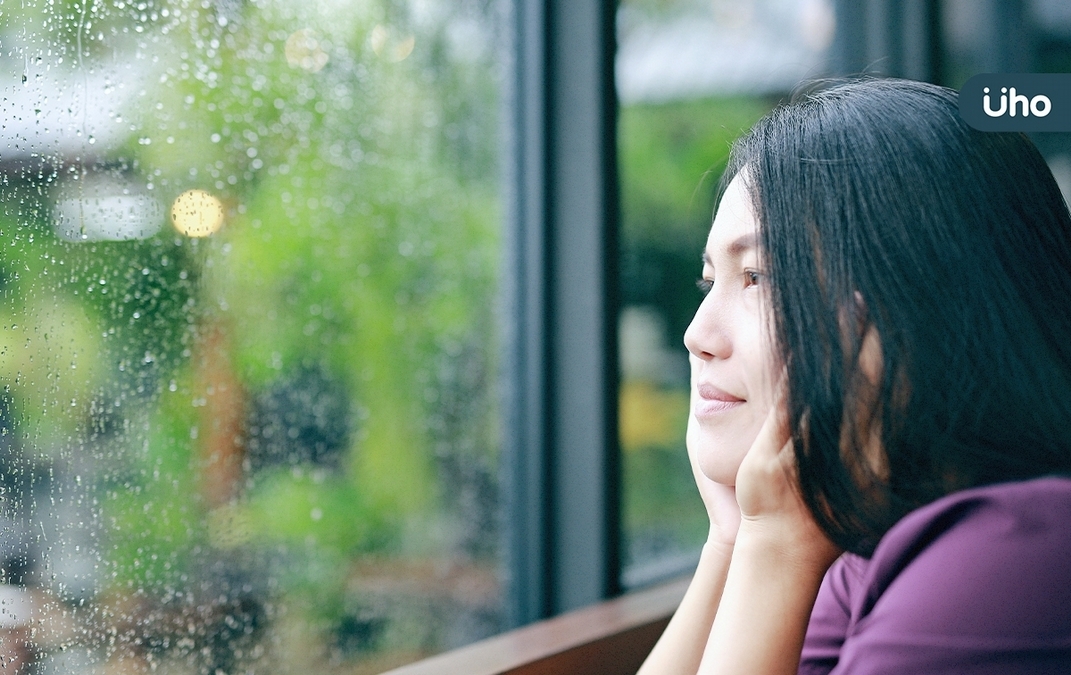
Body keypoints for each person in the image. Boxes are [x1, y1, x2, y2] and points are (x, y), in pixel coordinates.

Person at [637, 78, 1071, 675]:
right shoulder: (859, 548)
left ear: (915, 308)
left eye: (759, 277)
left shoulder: (1012, 552)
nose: (696, 335)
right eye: (711, 283)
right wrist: (735, 537)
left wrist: (773, 543)